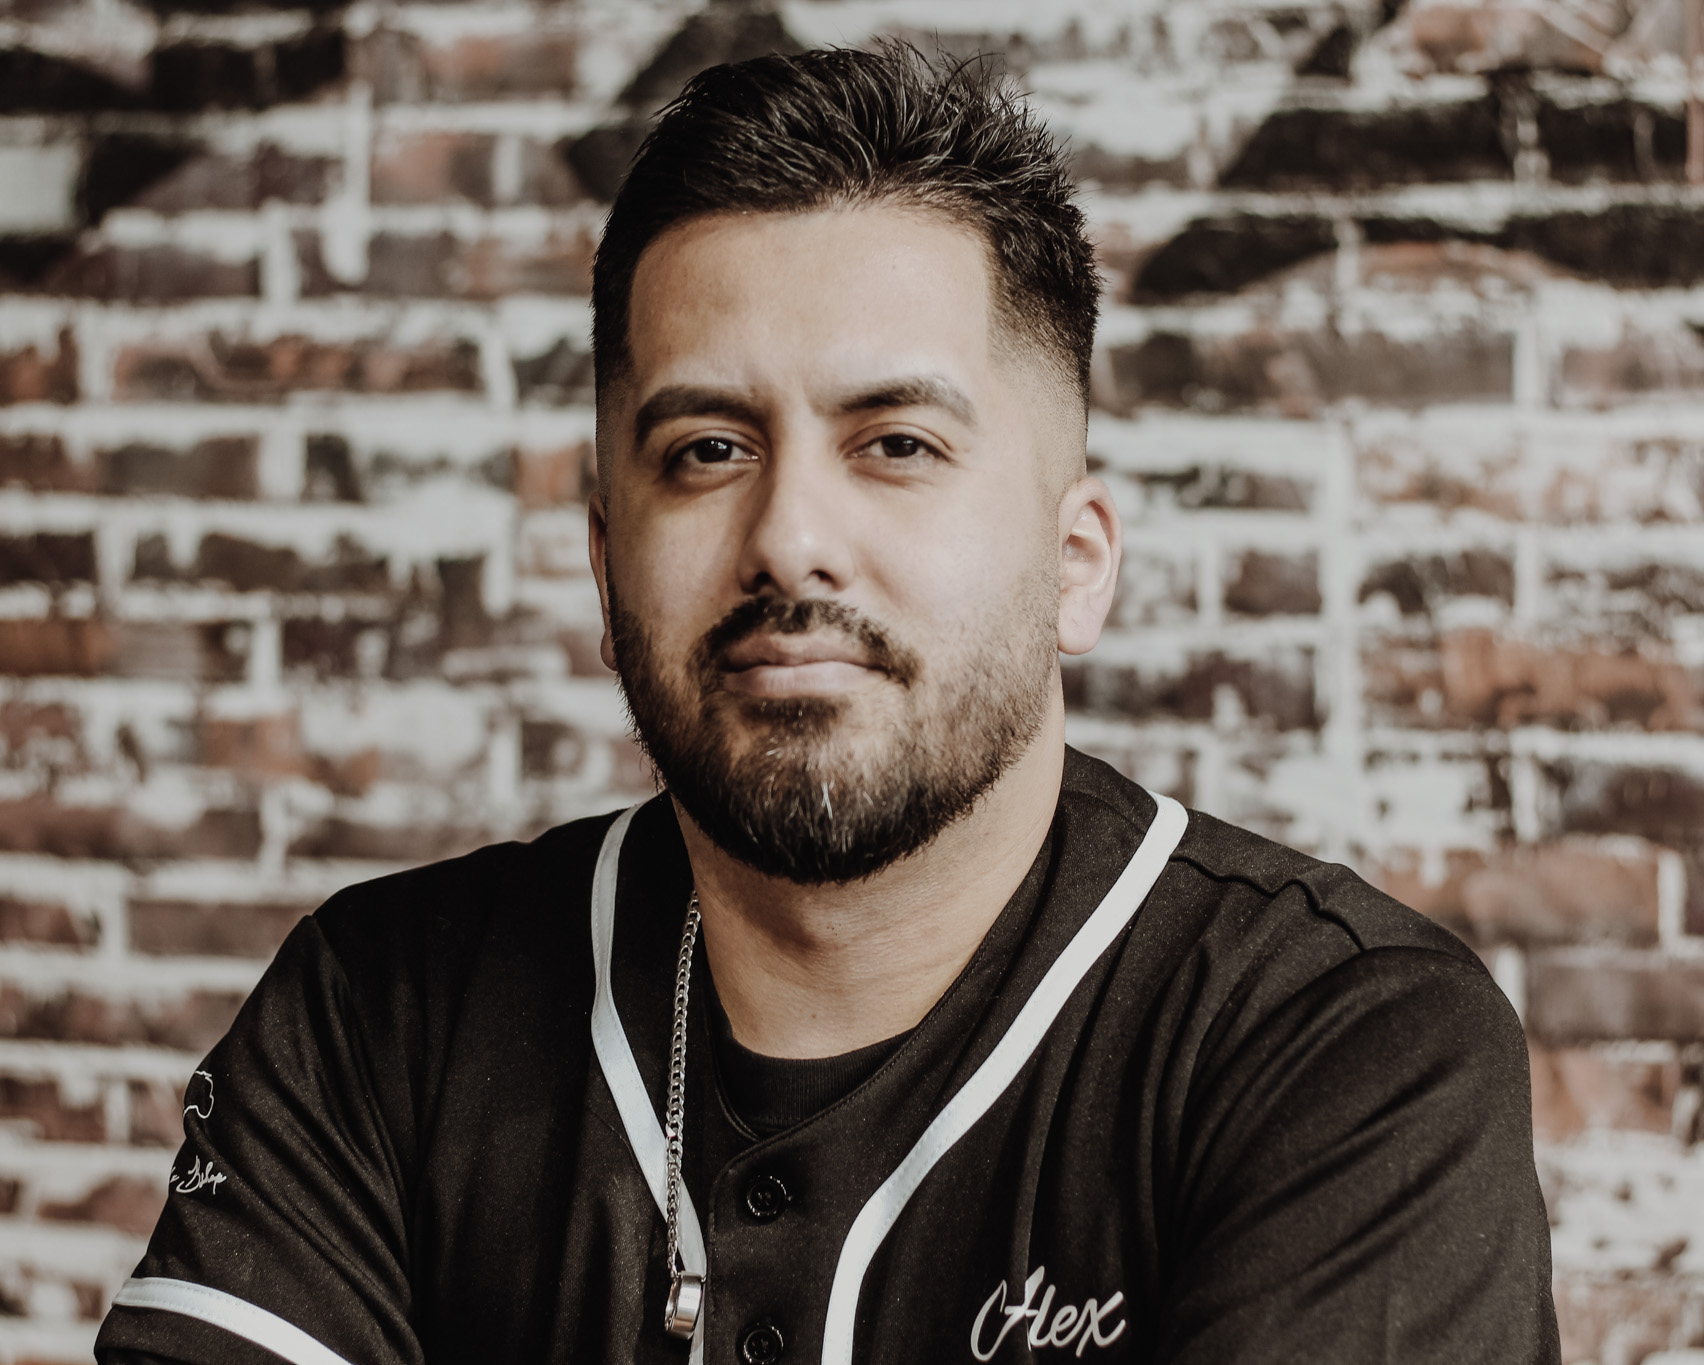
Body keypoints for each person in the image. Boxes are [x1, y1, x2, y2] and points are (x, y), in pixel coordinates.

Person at [97, 45, 1559, 1365]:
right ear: (606, 562)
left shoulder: (1336, 1048)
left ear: (1075, 565)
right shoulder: (379, 1017)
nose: (790, 537)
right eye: (708, 448)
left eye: (897, 443)